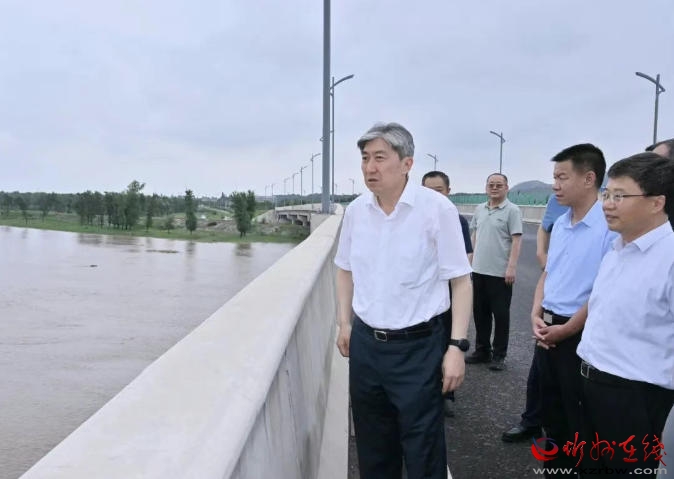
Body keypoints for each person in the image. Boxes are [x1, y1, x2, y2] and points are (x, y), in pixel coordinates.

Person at [334, 122, 473, 479]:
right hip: (366, 347)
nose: (370, 167)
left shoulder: (436, 210)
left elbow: (461, 281)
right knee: (373, 448)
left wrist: (456, 347)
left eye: (380, 158)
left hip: (419, 348)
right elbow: (344, 269)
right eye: (365, 158)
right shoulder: (356, 211)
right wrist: (344, 323)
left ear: (407, 163)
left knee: (423, 449)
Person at [577, 152, 674, 477]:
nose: (607, 204)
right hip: (590, 385)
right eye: (606, 194)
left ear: (657, 202)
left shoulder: (669, 257)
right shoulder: (617, 249)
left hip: (636, 400)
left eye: (619, 196)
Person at [531, 143, 616, 477]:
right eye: (554, 177)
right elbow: (548, 274)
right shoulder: (562, 223)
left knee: (580, 420)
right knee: (551, 417)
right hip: (547, 328)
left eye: (562, 177)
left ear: (589, 178)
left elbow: (602, 292)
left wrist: (566, 330)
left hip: (578, 335)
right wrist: (535, 313)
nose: (555, 185)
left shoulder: (609, 228)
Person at [501, 194, 568, 442]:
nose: (556, 184)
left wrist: (570, 327)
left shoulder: (604, 220)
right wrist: (541, 252)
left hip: (581, 317)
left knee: (570, 385)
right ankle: (532, 421)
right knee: (539, 373)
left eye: (562, 177)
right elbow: (545, 228)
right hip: (553, 308)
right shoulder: (560, 212)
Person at [422, 170, 474, 418]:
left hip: (449, 293)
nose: (434, 196)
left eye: (439, 191)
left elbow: (466, 257)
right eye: (428, 191)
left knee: (447, 343)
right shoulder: (413, 219)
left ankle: (446, 394)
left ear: (448, 192)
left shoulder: (456, 220)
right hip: (424, 296)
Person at [465, 173, 523, 371]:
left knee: (500, 315)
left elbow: (516, 240)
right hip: (478, 270)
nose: (495, 188)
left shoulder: (512, 210)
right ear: (486, 188)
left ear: (506, 188)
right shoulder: (479, 209)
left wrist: (511, 267)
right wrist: (469, 263)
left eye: (499, 185)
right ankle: (482, 351)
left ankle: (499, 355)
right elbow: (474, 235)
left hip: (500, 273)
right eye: (491, 185)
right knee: (480, 313)